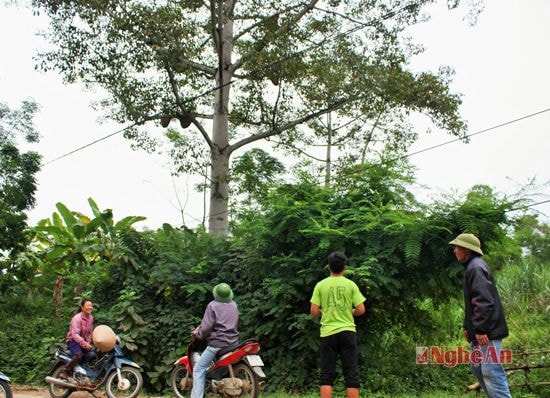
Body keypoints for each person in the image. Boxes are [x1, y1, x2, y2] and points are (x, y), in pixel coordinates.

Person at [449, 233, 512, 398]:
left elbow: (484, 301)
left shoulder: (476, 267)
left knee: (491, 371)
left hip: (487, 332)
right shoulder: (472, 267)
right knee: (476, 367)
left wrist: (481, 329)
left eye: (457, 247)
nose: (454, 250)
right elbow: (472, 304)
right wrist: (468, 327)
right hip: (480, 331)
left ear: (466, 249)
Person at [310, 252, 366, 398]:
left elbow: (314, 310)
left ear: (328, 266)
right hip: (348, 332)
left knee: (326, 375)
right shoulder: (351, 285)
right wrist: (350, 311)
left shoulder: (320, 285)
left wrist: (327, 312)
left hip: (328, 334)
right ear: (345, 267)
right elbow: (361, 309)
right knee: (351, 374)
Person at [190, 283, 239, 398]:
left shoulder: (212, 305)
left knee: (199, 368)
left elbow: (206, 327)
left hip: (217, 344)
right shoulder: (234, 304)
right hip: (233, 342)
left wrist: (198, 334)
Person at [59, 298, 94, 380]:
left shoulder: (91, 318)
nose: (90, 307)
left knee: (92, 355)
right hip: (72, 340)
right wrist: (84, 343)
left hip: (83, 342)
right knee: (79, 354)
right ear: (82, 307)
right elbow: (74, 334)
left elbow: (89, 333)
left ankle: (80, 372)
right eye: (88, 305)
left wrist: (87, 342)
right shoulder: (77, 318)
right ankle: (65, 371)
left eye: (91, 305)